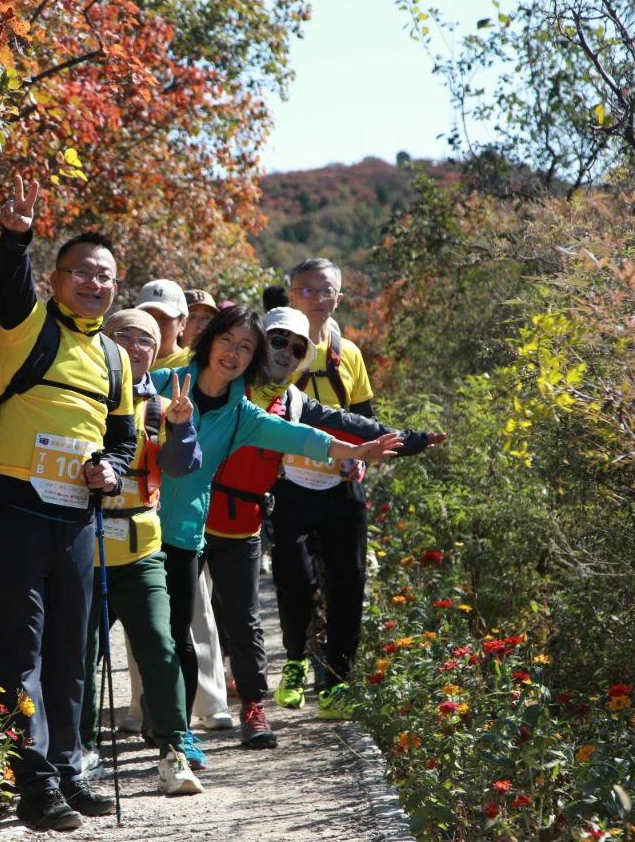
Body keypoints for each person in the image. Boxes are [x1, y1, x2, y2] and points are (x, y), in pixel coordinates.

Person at [149, 304, 403, 769]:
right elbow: (116, 402)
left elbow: (301, 437)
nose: (234, 353)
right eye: (228, 340)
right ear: (209, 340)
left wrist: (358, 449)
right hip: (141, 527)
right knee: (148, 630)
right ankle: (93, 733)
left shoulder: (242, 412)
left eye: (247, 348)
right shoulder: (166, 381)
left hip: (185, 532)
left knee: (185, 632)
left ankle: (180, 731)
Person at [0, 176, 137, 831]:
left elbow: (123, 438)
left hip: (75, 513)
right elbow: (11, 283)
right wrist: (16, 239)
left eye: (105, 278)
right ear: (58, 279)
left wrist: (110, 468)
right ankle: (32, 780)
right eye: (82, 274)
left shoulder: (118, 360)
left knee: (72, 646)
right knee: (18, 648)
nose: (94, 285)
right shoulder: (28, 324)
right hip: (10, 503)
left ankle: (68, 766)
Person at [203, 308, 446, 747]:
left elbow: (351, 426)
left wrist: (411, 440)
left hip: (244, 519)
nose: (286, 353)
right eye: (278, 341)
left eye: (296, 349)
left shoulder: (294, 403)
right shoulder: (223, 381)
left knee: (246, 616)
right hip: (192, 510)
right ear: (259, 342)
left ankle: (257, 706)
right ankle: (171, 722)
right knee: (186, 612)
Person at [77, 309, 204, 796]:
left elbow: (181, 465)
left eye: (145, 340)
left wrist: (181, 426)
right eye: (124, 337)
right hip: (84, 548)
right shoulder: (85, 398)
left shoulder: (160, 405)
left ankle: (174, 750)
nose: (134, 347)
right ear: (107, 344)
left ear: (158, 349)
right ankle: (84, 752)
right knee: (83, 653)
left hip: (141, 547)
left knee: (159, 644)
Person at [273, 258, 384, 719]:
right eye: (307, 291)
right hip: (291, 483)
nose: (318, 299)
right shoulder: (277, 348)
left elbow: (364, 418)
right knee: (295, 580)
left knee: (349, 582)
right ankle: (296, 660)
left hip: (341, 484)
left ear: (339, 296)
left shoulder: (349, 353)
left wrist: (365, 454)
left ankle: (338, 682)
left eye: (326, 291)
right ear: (290, 296)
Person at [136, 279, 192, 369]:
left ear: (182, 324)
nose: (155, 325)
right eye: (148, 316)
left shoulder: (192, 364)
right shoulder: (120, 360)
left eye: (164, 318)